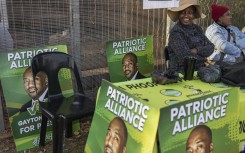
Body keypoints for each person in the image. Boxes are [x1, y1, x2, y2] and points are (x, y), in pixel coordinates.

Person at [167, 0, 214, 73]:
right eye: (183, 12)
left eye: (190, 12)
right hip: (181, 72)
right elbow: (185, 57)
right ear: (179, 15)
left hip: (200, 70)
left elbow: (211, 47)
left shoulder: (197, 28)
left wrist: (196, 50)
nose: (186, 15)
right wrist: (203, 58)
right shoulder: (176, 32)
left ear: (194, 15)